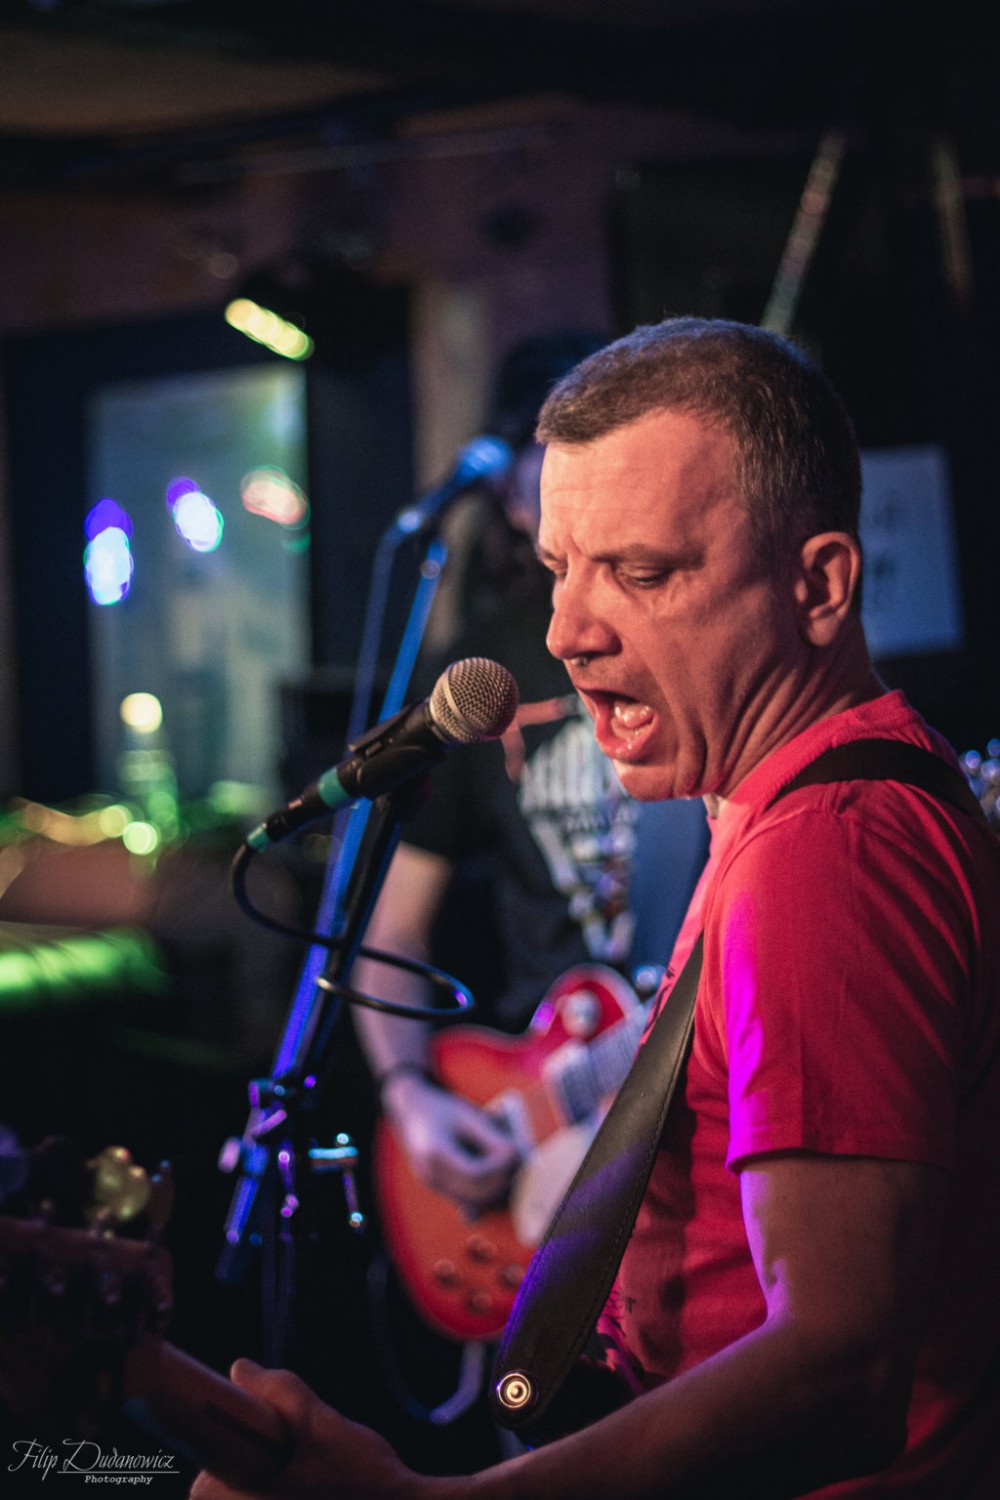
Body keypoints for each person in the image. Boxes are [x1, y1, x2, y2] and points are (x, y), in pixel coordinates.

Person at [190, 316, 1000, 1500]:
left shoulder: (825, 850)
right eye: (561, 567)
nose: (566, 634)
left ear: (819, 585)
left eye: (642, 572)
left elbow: (839, 1367)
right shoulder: (765, 807)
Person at [351, 331, 706, 1216]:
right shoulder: (479, 674)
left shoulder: (690, 640)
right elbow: (389, 931)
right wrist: (410, 1094)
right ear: (513, 492)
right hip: (542, 1110)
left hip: (700, 1086)